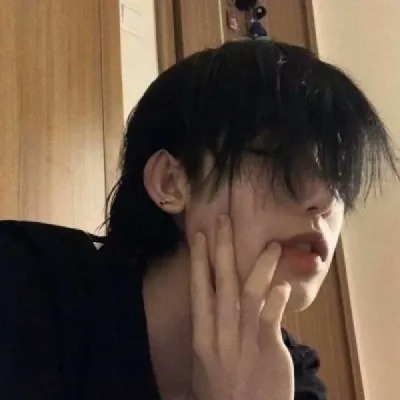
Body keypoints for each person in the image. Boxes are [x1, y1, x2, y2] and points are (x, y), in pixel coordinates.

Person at [0, 40, 398, 400]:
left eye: (339, 180)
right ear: (171, 182)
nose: (325, 202)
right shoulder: (26, 280)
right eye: (282, 160)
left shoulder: (292, 378)